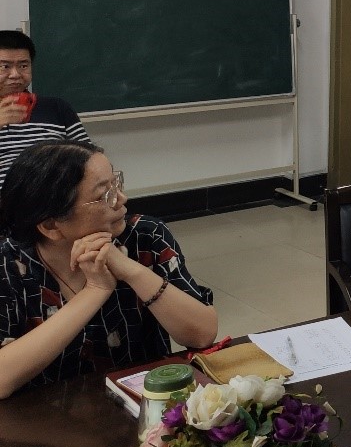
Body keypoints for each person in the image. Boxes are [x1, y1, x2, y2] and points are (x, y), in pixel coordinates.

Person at [0, 141, 218, 399]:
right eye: (104, 195)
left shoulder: (145, 236)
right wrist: (95, 290)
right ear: (51, 226)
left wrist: (132, 271)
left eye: (117, 183)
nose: (122, 199)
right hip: (44, 415)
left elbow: (202, 334)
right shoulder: (9, 265)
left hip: (143, 406)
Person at [0, 30, 93, 190]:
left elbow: (90, 159)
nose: (15, 74)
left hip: (58, 199)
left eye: (23, 66)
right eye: (4, 66)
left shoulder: (56, 108)